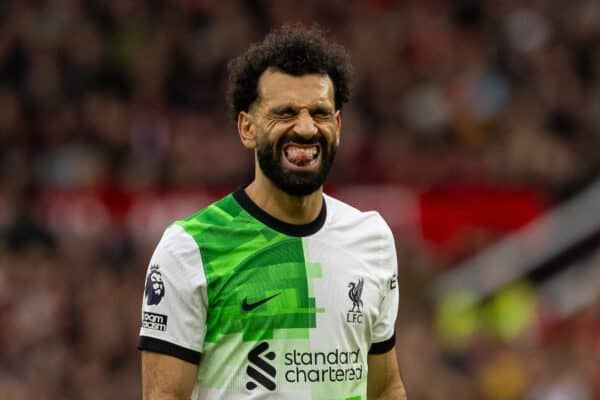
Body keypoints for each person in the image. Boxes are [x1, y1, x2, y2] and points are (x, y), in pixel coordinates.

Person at [138, 24, 407, 400]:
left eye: (320, 112)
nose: (306, 127)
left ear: (339, 126)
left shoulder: (371, 239)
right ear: (247, 128)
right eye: (285, 113)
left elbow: (384, 388)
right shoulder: (191, 248)